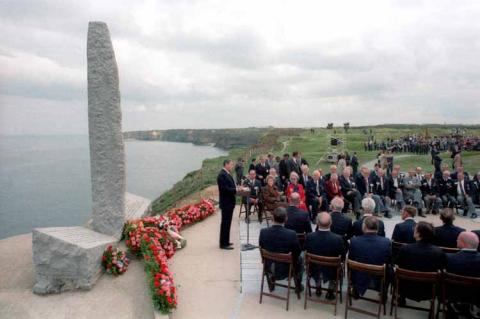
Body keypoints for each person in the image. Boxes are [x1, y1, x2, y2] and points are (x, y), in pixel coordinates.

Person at [396, 222, 446, 305]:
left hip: (405, 288)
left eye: (415, 230)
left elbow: (397, 264)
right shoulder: (439, 252)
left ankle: (401, 298)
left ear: (419, 234)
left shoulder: (405, 248)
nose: (413, 231)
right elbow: (441, 270)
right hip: (429, 291)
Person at [259, 207, 303, 293]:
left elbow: (261, 247)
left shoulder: (263, 232)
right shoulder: (291, 234)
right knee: (301, 258)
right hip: (286, 269)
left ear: (272, 218)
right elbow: (297, 252)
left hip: (269, 267)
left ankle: (271, 281)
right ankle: (298, 285)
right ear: (286, 219)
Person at [304, 212, 346, 300]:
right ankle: (330, 291)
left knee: (316, 265)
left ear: (317, 223)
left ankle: (318, 287)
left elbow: (306, 250)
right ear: (331, 223)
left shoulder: (310, 237)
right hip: (332, 270)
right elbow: (342, 257)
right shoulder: (338, 239)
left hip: (314, 268)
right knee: (336, 266)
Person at [349, 216, 392, 297]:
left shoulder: (354, 241)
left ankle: (355, 287)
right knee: (389, 268)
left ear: (364, 227)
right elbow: (389, 261)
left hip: (358, 276)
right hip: (378, 278)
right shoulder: (386, 242)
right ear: (377, 228)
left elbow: (351, 259)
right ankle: (384, 292)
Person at [445, 232, 480, 314]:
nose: (456, 240)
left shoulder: (448, 258)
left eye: (458, 239)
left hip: (453, 295)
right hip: (476, 298)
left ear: (462, 243)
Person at [217, 159, 240, 250]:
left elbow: (231, 186)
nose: (232, 166)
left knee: (228, 223)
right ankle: (223, 244)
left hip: (229, 202)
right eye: (231, 164)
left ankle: (226, 241)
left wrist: (237, 188)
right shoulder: (222, 175)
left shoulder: (227, 173)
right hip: (226, 202)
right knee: (225, 223)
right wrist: (236, 190)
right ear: (226, 164)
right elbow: (225, 189)